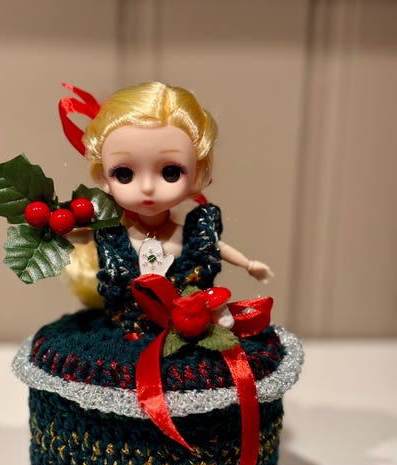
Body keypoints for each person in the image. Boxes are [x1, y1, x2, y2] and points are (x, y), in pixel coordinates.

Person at [74, 81, 272, 336]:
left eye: (170, 172)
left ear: (197, 172)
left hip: (188, 329)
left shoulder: (194, 234)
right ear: (103, 177)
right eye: (124, 174)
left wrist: (249, 264)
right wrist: (49, 228)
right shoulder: (111, 236)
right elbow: (80, 235)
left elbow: (218, 247)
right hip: (127, 330)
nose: (147, 188)